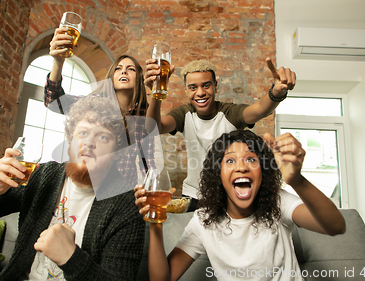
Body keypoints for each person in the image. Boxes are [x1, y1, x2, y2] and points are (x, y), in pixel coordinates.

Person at [0, 96, 145, 281]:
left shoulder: (127, 205)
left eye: (102, 136)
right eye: (83, 133)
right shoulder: (44, 177)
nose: (89, 143)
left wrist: (71, 258)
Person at [134, 129, 346, 281]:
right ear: (218, 174)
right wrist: (156, 222)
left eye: (251, 160)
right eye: (230, 160)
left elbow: (335, 226)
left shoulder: (278, 202)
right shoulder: (202, 221)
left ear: (263, 171)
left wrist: (297, 180)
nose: (241, 167)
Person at [144, 58, 296, 209]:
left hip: (227, 197)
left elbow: (259, 109)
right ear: (186, 91)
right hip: (192, 196)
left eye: (206, 85)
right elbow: (153, 128)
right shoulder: (185, 114)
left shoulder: (229, 113)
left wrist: (276, 92)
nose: (200, 93)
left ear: (215, 86)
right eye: (193, 87)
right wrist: (156, 93)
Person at [45, 27, 158, 186]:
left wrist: (152, 189)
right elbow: (53, 102)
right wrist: (58, 62)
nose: (123, 72)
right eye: (118, 69)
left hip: (122, 191)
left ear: (139, 79)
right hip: (89, 185)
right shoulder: (93, 103)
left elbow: (147, 160)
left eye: (130, 69)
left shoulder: (144, 116)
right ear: (111, 77)